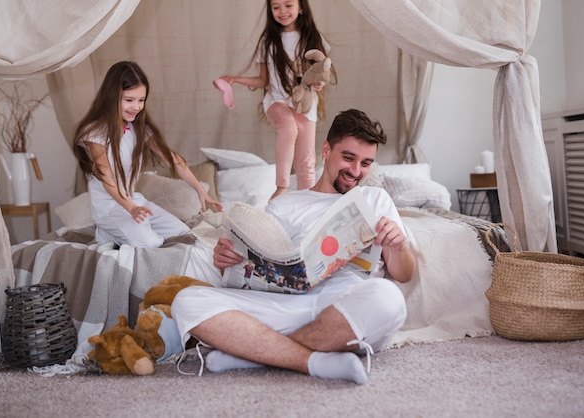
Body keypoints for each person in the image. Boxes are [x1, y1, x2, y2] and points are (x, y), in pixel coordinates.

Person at [172, 109, 416, 384]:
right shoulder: (285, 205)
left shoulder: (375, 198)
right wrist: (227, 259)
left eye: (366, 163)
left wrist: (399, 245)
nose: (356, 171)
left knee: (389, 298)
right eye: (348, 158)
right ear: (326, 149)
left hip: (348, 306)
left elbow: (404, 274)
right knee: (187, 301)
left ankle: (251, 354)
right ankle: (311, 360)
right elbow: (257, 268)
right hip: (291, 305)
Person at [73, 61, 222, 248]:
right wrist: (131, 208)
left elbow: (173, 160)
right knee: (151, 244)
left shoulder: (139, 129)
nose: (136, 106)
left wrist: (201, 191)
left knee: (184, 234)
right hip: (109, 208)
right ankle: (108, 232)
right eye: (129, 100)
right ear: (112, 97)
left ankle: (113, 234)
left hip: (134, 201)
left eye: (141, 100)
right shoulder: (94, 133)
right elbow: (106, 178)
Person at [217, 0, 335, 202]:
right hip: (276, 101)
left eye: (288, 5)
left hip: (305, 103)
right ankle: (281, 187)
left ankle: (307, 201)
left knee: (306, 158)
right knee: (288, 128)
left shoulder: (314, 39)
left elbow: (321, 73)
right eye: (276, 6)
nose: (282, 11)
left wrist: (318, 84)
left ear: (300, 7)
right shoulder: (268, 42)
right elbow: (264, 80)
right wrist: (235, 79)